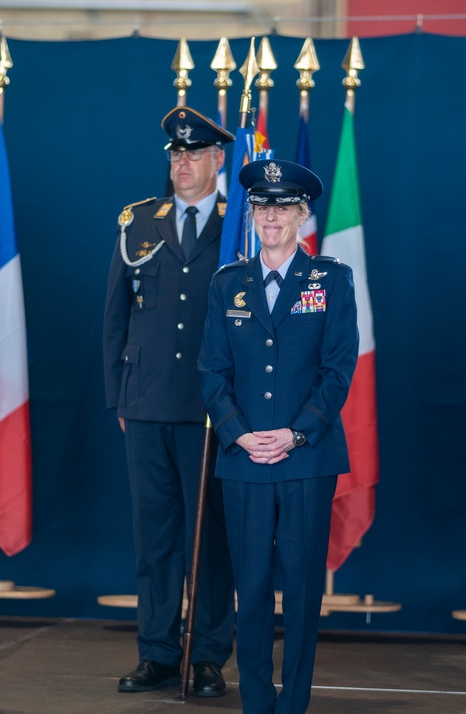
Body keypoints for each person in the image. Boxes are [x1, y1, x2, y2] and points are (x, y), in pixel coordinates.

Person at [198, 159, 359, 714]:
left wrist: (295, 433)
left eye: (283, 207)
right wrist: (241, 435)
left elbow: (338, 370)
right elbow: (211, 372)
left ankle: (293, 703)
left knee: (303, 590)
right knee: (252, 588)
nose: (271, 216)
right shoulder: (227, 284)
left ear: (302, 214)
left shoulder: (331, 279)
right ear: (251, 214)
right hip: (243, 461)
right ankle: (256, 704)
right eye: (262, 206)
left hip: (305, 460)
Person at [103, 106, 235, 696]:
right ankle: (157, 651)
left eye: (195, 154)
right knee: (153, 534)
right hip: (148, 400)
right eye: (176, 155)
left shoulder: (241, 227)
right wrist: (120, 398)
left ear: (218, 160)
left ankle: (206, 655)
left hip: (211, 408)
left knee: (209, 537)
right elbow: (115, 316)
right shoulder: (139, 223)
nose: (182, 162)